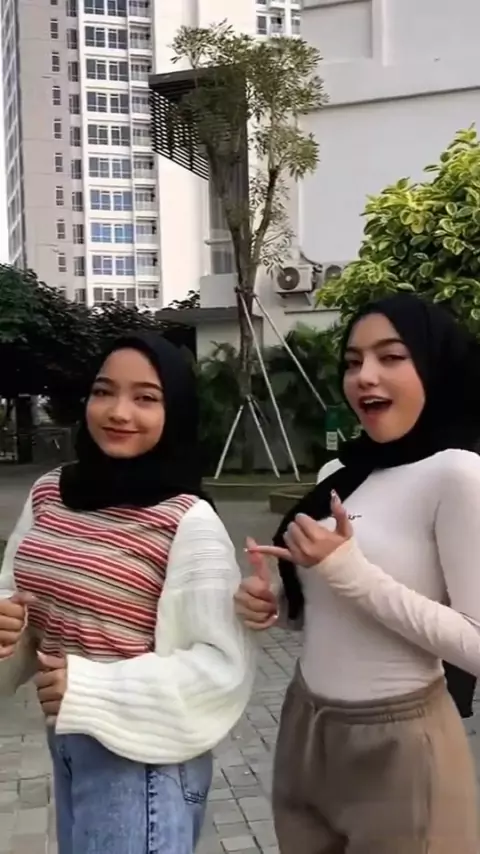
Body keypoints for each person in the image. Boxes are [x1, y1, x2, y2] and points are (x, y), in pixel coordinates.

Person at [235, 293, 480, 853]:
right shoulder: (340, 471)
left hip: (401, 745)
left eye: (391, 357)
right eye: (353, 361)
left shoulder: (458, 475)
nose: (365, 375)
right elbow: (331, 609)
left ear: (434, 367)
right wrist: (276, 604)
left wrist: (352, 573)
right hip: (306, 726)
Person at [0, 332, 255, 854]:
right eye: (103, 392)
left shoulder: (187, 520)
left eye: (145, 398)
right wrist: (8, 629)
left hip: (142, 766)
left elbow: (222, 667)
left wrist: (90, 689)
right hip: (67, 743)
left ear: (174, 412)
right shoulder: (51, 493)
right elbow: (17, 597)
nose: (118, 412)